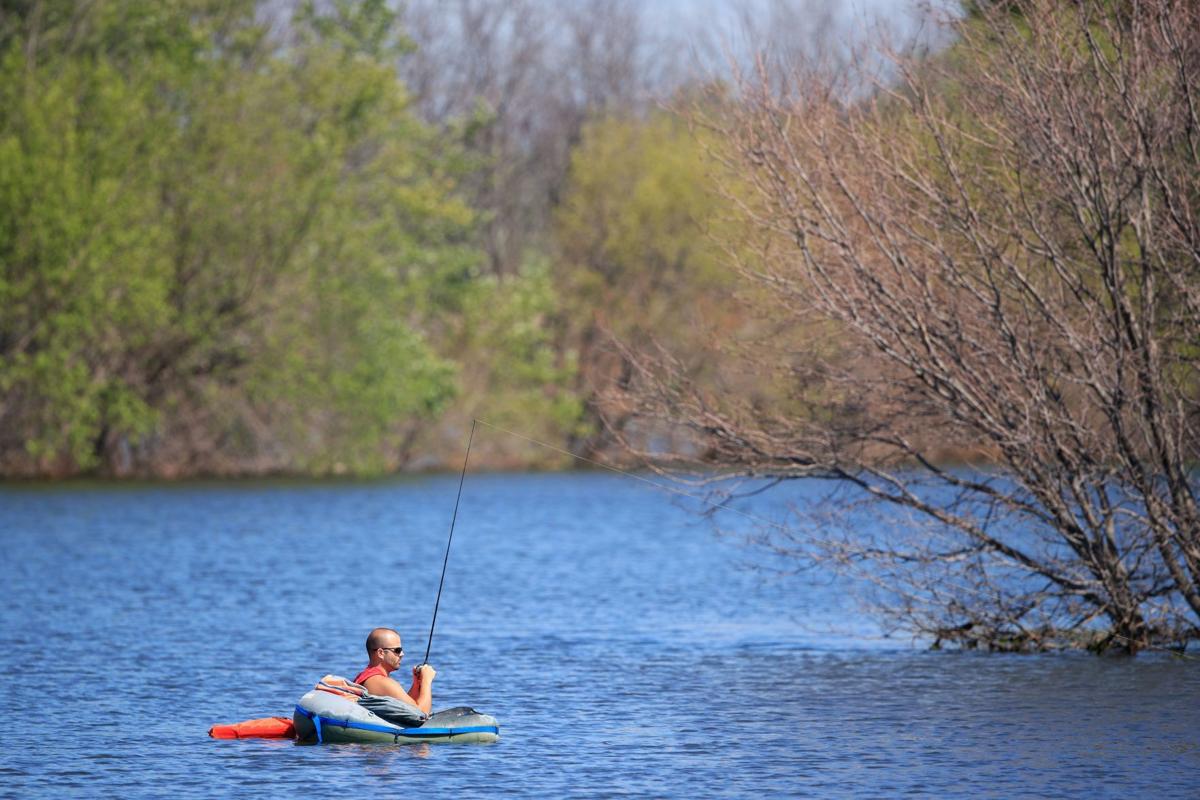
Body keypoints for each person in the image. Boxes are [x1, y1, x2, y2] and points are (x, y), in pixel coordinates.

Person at [354, 627, 436, 715]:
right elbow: (421, 714)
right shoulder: (381, 682)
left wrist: (416, 684)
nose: (402, 654)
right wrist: (426, 681)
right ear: (381, 653)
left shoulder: (366, 676)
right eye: (397, 650)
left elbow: (407, 707)